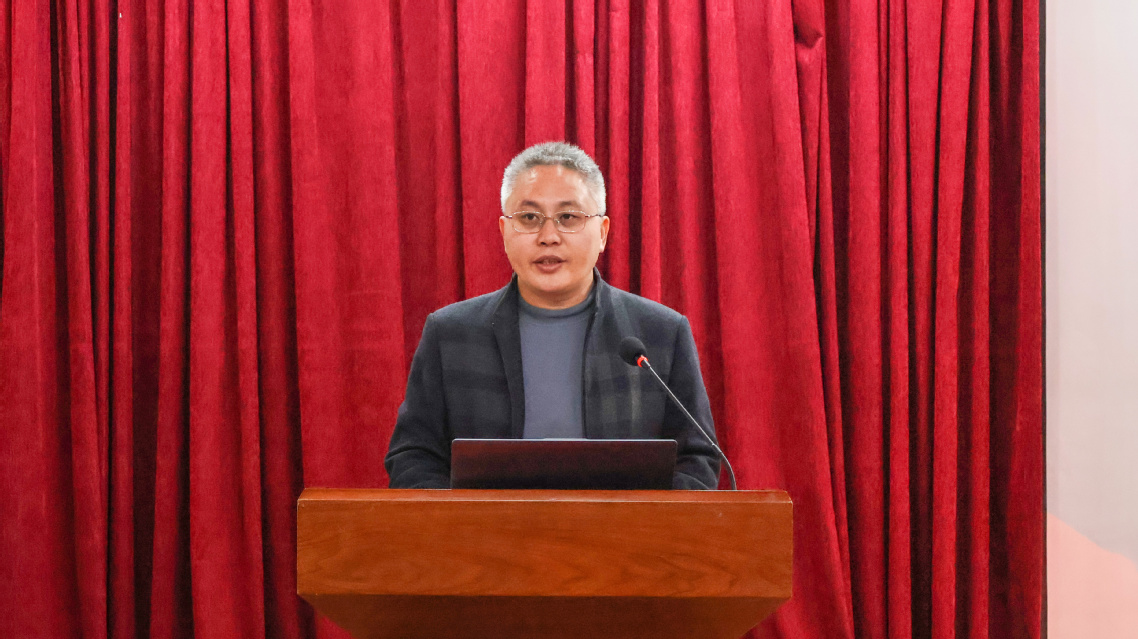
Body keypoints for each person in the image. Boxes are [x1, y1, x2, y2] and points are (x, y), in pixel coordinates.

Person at [384, 141, 721, 489]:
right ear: (504, 232)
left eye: (568, 217)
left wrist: (638, 520)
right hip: (487, 526)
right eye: (529, 218)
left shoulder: (660, 334)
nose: (548, 237)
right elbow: (413, 457)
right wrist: (467, 519)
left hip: (623, 526)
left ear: (602, 233)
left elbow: (697, 459)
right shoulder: (450, 334)